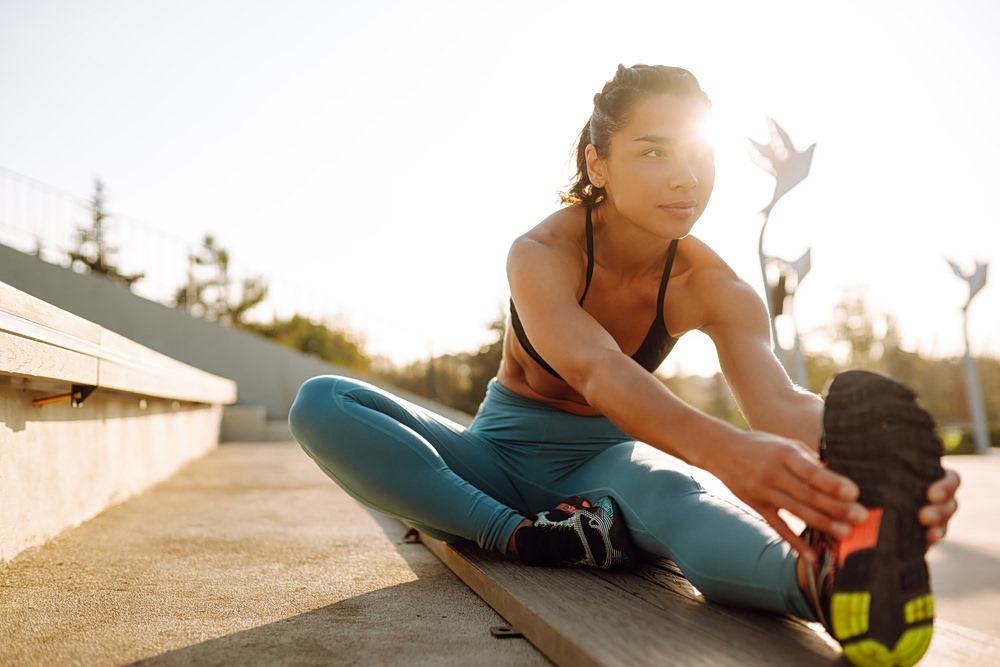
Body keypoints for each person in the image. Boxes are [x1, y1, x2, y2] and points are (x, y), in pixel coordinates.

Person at [288, 64, 960, 667]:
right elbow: (597, 371)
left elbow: (778, 405)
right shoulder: (542, 252)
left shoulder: (712, 285)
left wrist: (864, 457)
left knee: (677, 495)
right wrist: (724, 449)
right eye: (654, 151)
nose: (685, 176)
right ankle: (525, 538)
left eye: (699, 154)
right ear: (598, 163)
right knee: (323, 403)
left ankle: (828, 581)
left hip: (604, 474)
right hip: (492, 459)